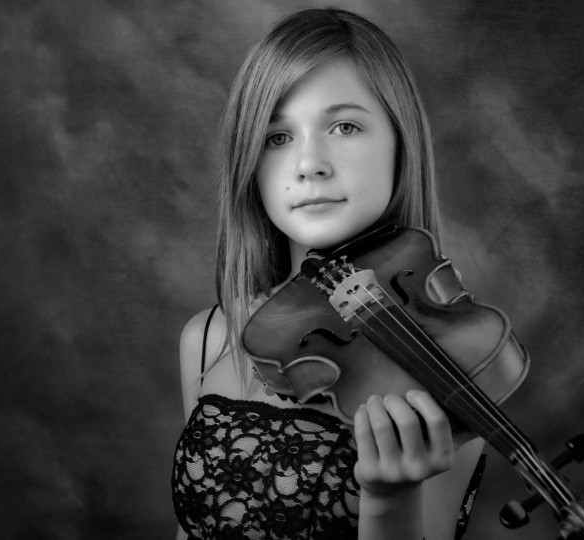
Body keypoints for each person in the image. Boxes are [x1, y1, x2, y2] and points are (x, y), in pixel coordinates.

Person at [172, 8, 486, 540]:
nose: (308, 163)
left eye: (344, 126)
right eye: (276, 137)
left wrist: (389, 504)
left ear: (399, 144)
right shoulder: (207, 340)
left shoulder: (452, 361)